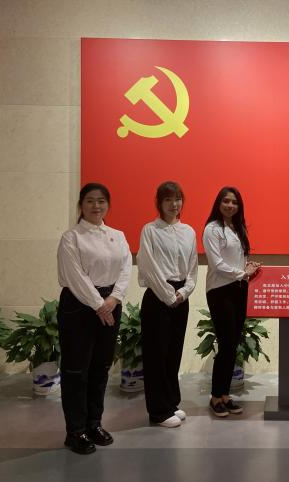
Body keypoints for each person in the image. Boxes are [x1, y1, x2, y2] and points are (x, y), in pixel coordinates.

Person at [57, 183, 132, 454]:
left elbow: (126, 268)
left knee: (100, 366)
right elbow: (75, 276)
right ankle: (75, 430)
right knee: (76, 369)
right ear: (81, 205)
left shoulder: (117, 235)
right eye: (90, 201)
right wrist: (100, 305)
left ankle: (94, 423)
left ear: (108, 205)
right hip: (79, 306)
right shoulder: (71, 237)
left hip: (111, 303)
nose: (96, 206)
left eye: (101, 201)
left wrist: (114, 298)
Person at [138, 181, 198, 428]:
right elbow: (147, 266)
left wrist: (183, 292)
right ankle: (158, 411)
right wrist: (168, 295)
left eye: (178, 199)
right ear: (159, 203)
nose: (174, 204)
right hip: (157, 297)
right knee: (156, 355)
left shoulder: (189, 232)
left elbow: (192, 268)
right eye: (168, 200)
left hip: (180, 297)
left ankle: (171, 403)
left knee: (173, 352)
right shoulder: (150, 230)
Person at [203, 187, 260, 417]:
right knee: (226, 344)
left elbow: (238, 259)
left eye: (234, 202)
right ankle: (215, 397)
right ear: (218, 203)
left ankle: (225, 395)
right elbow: (216, 264)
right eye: (226, 201)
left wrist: (248, 267)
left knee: (233, 344)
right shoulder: (212, 229)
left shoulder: (238, 228)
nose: (230, 205)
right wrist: (243, 273)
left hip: (238, 289)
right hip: (220, 290)